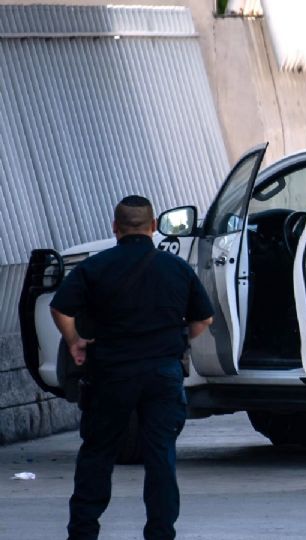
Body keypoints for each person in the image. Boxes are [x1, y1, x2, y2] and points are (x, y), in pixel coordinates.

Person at [50, 195, 214, 539]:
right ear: (153, 227)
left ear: (115, 228)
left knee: (97, 453)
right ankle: (160, 532)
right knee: (160, 457)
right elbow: (204, 317)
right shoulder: (177, 268)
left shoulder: (95, 267)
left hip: (111, 374)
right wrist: (180, 338)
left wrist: (74, 341)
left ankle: (83, 532)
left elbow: (61, 308)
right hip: (163, 375)